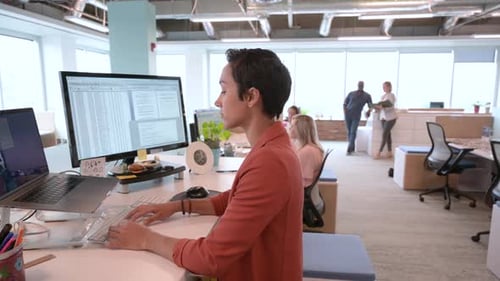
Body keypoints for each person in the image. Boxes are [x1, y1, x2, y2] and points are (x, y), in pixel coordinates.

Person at [106, 48, 304, 281]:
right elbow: (233, 200)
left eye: (223, 90)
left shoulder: (270, 162)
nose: (217, 101)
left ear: (251, 96)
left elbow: (210, 258)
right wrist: (178, 206)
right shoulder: (273, 147)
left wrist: (145, 239)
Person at [289, 114, 325, 213]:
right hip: (310, 198)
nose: (289, 128)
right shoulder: (308, 148)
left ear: (301, 129)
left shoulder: (308, 152)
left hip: (308, 203)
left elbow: (303, 185)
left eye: (292, 126)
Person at [343, 81, 373, 155]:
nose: (360, 85)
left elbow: (371, 106)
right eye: (359, 84)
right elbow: (345, 103)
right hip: (348, 114)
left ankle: (349, 148)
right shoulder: (351, 93)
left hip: (356, 115)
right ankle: (352, 146)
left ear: (363, 86)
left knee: (353, 131)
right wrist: (345, 110)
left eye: (361, 84)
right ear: (357, 85)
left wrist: (368, 112)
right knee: (349, 132)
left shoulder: (367, 95)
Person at [373, 81, 397, 159]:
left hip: (391, 118)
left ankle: (379, 153)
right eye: (383, 87)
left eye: (385, 87)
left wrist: (383, 107)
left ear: (389, 87)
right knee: (388, 135)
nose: (384, 88)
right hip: (383, 118)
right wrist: (377, 108)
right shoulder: (383, 96)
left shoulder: (392, 95)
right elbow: (381, 107)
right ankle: (390, 152)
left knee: (384, 134)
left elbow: (390, 107)